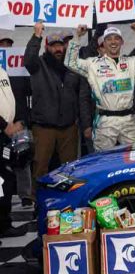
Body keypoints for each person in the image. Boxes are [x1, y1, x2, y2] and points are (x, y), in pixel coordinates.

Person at [65, 23, 135, 151]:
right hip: (105, 122)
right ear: (104, 44)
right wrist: (77, 37)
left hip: (129, 120)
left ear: (122, 42)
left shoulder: (131, 62)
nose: (113, 42)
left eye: (116, 38)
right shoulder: (93, 64)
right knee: (102, 161)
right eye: (109, 39)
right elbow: (70, 62)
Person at [24, 24, 91, 194]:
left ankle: (68, 200)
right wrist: (36, 36)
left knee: (70, 167)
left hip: (68, 126)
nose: (58, 49)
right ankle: (37, 201)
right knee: (40, 165)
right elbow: (28, 59)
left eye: (60, 45)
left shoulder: (72, 66)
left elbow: (81, 96)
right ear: (46, 47)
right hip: (43, 126)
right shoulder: (38, 64)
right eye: (53, 45)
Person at [0, 35, 32, 207]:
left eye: (9, 45)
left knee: (22, 158)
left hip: (18, 123)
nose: (6, 47)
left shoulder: (18, 71)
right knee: (4, 168)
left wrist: (23, 119)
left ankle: (25, 195)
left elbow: (28, 93)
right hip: (2, 127)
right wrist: (5, 125)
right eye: (2, 45)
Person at [0, 64, 26, 239]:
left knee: (7, 179)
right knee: (4, 180)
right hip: (3, 129)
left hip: (5, 134)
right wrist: (4, 126)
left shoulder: (2, 71)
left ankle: (4, 224)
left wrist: (16, 122)